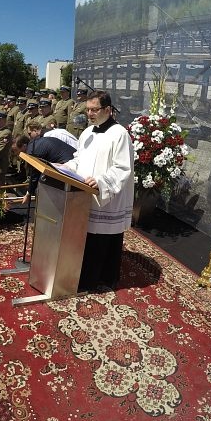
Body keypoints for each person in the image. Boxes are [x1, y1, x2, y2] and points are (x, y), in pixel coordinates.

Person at [62, 91, 134, 291]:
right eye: (88, 110)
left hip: (106, 196)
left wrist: (101, 182)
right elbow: (80, 159)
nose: (90, 114)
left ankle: (103, 278)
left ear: (108, 110)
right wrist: (64, 167)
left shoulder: (119, 134)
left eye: (95, 109)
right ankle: (83, 275)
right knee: (86, 238)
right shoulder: (87, 132)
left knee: (103, 239)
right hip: (84, 194)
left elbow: (122, 168)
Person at [12, 133, 76, 204]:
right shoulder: (34, 144)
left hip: (69, 164)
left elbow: (34, 175)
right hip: (70, 159)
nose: (15, 154)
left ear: (24, 146)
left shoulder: (32, 152)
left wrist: (28, 194)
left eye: (16, 150)